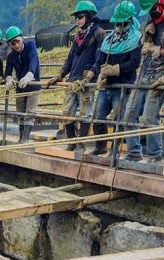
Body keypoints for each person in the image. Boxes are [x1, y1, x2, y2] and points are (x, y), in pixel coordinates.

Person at [46, 1, 105, 151]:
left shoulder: (99, 33)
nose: (77, 21)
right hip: (73, 79)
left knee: (85, 113)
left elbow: (100, 58)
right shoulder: (78, 35)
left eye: (80, 17)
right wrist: (61, 74)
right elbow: (70, 58)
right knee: (67, 111)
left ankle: (81, 144)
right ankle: (71, 142)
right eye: (76, 18)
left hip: (87, 81)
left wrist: (91, 75)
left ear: (89, 16)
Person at [88, 1, 142, 156]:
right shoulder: (109, 39)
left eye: (122, 23)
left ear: (130, 20)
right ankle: (100, 146)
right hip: (106, 86)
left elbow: (134, 63)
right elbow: (100, 60)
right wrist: (99, 72)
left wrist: (116, 69)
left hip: (123, 85)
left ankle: (115, 150)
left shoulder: (136, 38)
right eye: (117, 23)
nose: (119, 26)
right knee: (98, 117)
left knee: (120, 119)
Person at [124, 0, 164, 163]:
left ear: (160, 5)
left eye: (152, 9)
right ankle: (133, 153)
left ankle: (155, 156)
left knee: (149, 117)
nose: (151, 13)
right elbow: (143, 47)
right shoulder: (152, 19)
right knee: (128, 115)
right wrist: (145, 38)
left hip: (160, 72)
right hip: (144, 71)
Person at [4, 26, 42, 143]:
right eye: (13, 43)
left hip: (33, 85)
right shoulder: (11, 56)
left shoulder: (30, 46)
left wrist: (29, 75)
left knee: (30, 112)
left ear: (22, 39)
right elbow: (8, 72)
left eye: (18, 41)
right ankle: (21, 137)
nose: (16, 45)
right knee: (20, 112)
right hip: (20, 87)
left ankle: (25, 139)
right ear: (10, 44)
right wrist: (9, 79)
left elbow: (33, 60)